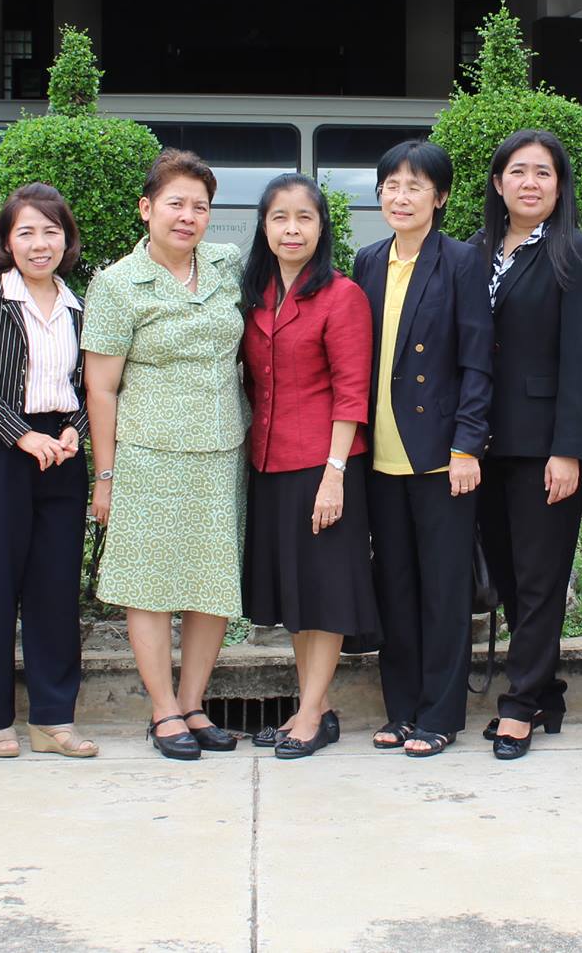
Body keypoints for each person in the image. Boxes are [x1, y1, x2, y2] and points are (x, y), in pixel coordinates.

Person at [83, 149, 248, 761]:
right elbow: (101, 388)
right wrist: (105, 475)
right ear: (146, 208)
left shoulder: (226, 265)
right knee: (149, 586)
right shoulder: (117, 285)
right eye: (175, 204)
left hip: (222, 450)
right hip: (149, 454)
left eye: (199, 207)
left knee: (211, 584)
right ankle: (163, 710)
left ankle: (194, 703)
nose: (187, 217)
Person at [469, 129, 582, 761]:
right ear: (498, 183)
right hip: (482, 442)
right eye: (518, 171)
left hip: (545, 445)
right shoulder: (474, 252)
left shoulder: (576, 253)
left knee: (540, 578)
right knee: (504, 573)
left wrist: (571, 450)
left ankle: (520, 705)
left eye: (543, 173)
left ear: (560, 185)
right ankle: (546, 690)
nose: (530, 183)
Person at [354, 139, 492, 759]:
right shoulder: (368, 260)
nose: (401, 196)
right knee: (396, 587)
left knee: (443, 591)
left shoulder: (461, 261)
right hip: (379, 455)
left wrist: (467, 446)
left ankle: (440, 714)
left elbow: (476, 361)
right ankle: (402, 709)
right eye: (392, 185)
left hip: (440, 455)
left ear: (440, 197)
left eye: (415, 186)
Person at [0, 183, 98, 760]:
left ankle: (53, 719)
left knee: (55, 587)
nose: (40, 244)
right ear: (7, 242)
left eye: (51, 231)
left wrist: (75, 429)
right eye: (27, 232)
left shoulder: (78, 304)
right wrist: (21, 434)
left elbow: (90, 383)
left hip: (60, 452)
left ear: (67, 240)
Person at [239, 174, 379, 759]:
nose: (291, 229)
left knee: (324, 594)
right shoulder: (255, 294)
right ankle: (312, 708)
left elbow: (352, 392)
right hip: (270, 465)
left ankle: (310, 712)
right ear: (264, 227)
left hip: (324, 467)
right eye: (280, 217)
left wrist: (334, 474)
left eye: (304, 217)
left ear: (322, 228)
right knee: (296, 598)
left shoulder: (343, 296)